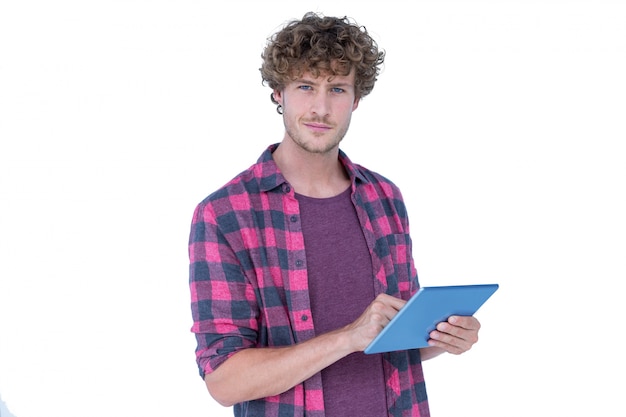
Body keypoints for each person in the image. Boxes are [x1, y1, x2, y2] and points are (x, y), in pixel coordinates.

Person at [188, 12, 482, 417]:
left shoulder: (383, 197)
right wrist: (346, 338)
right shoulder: (225, 214)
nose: (321, 108)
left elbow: (392, 338)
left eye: (338, 88)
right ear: (279, 92)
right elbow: (224, 381)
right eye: (306, 86)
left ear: (356, 99)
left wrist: (444, 335)